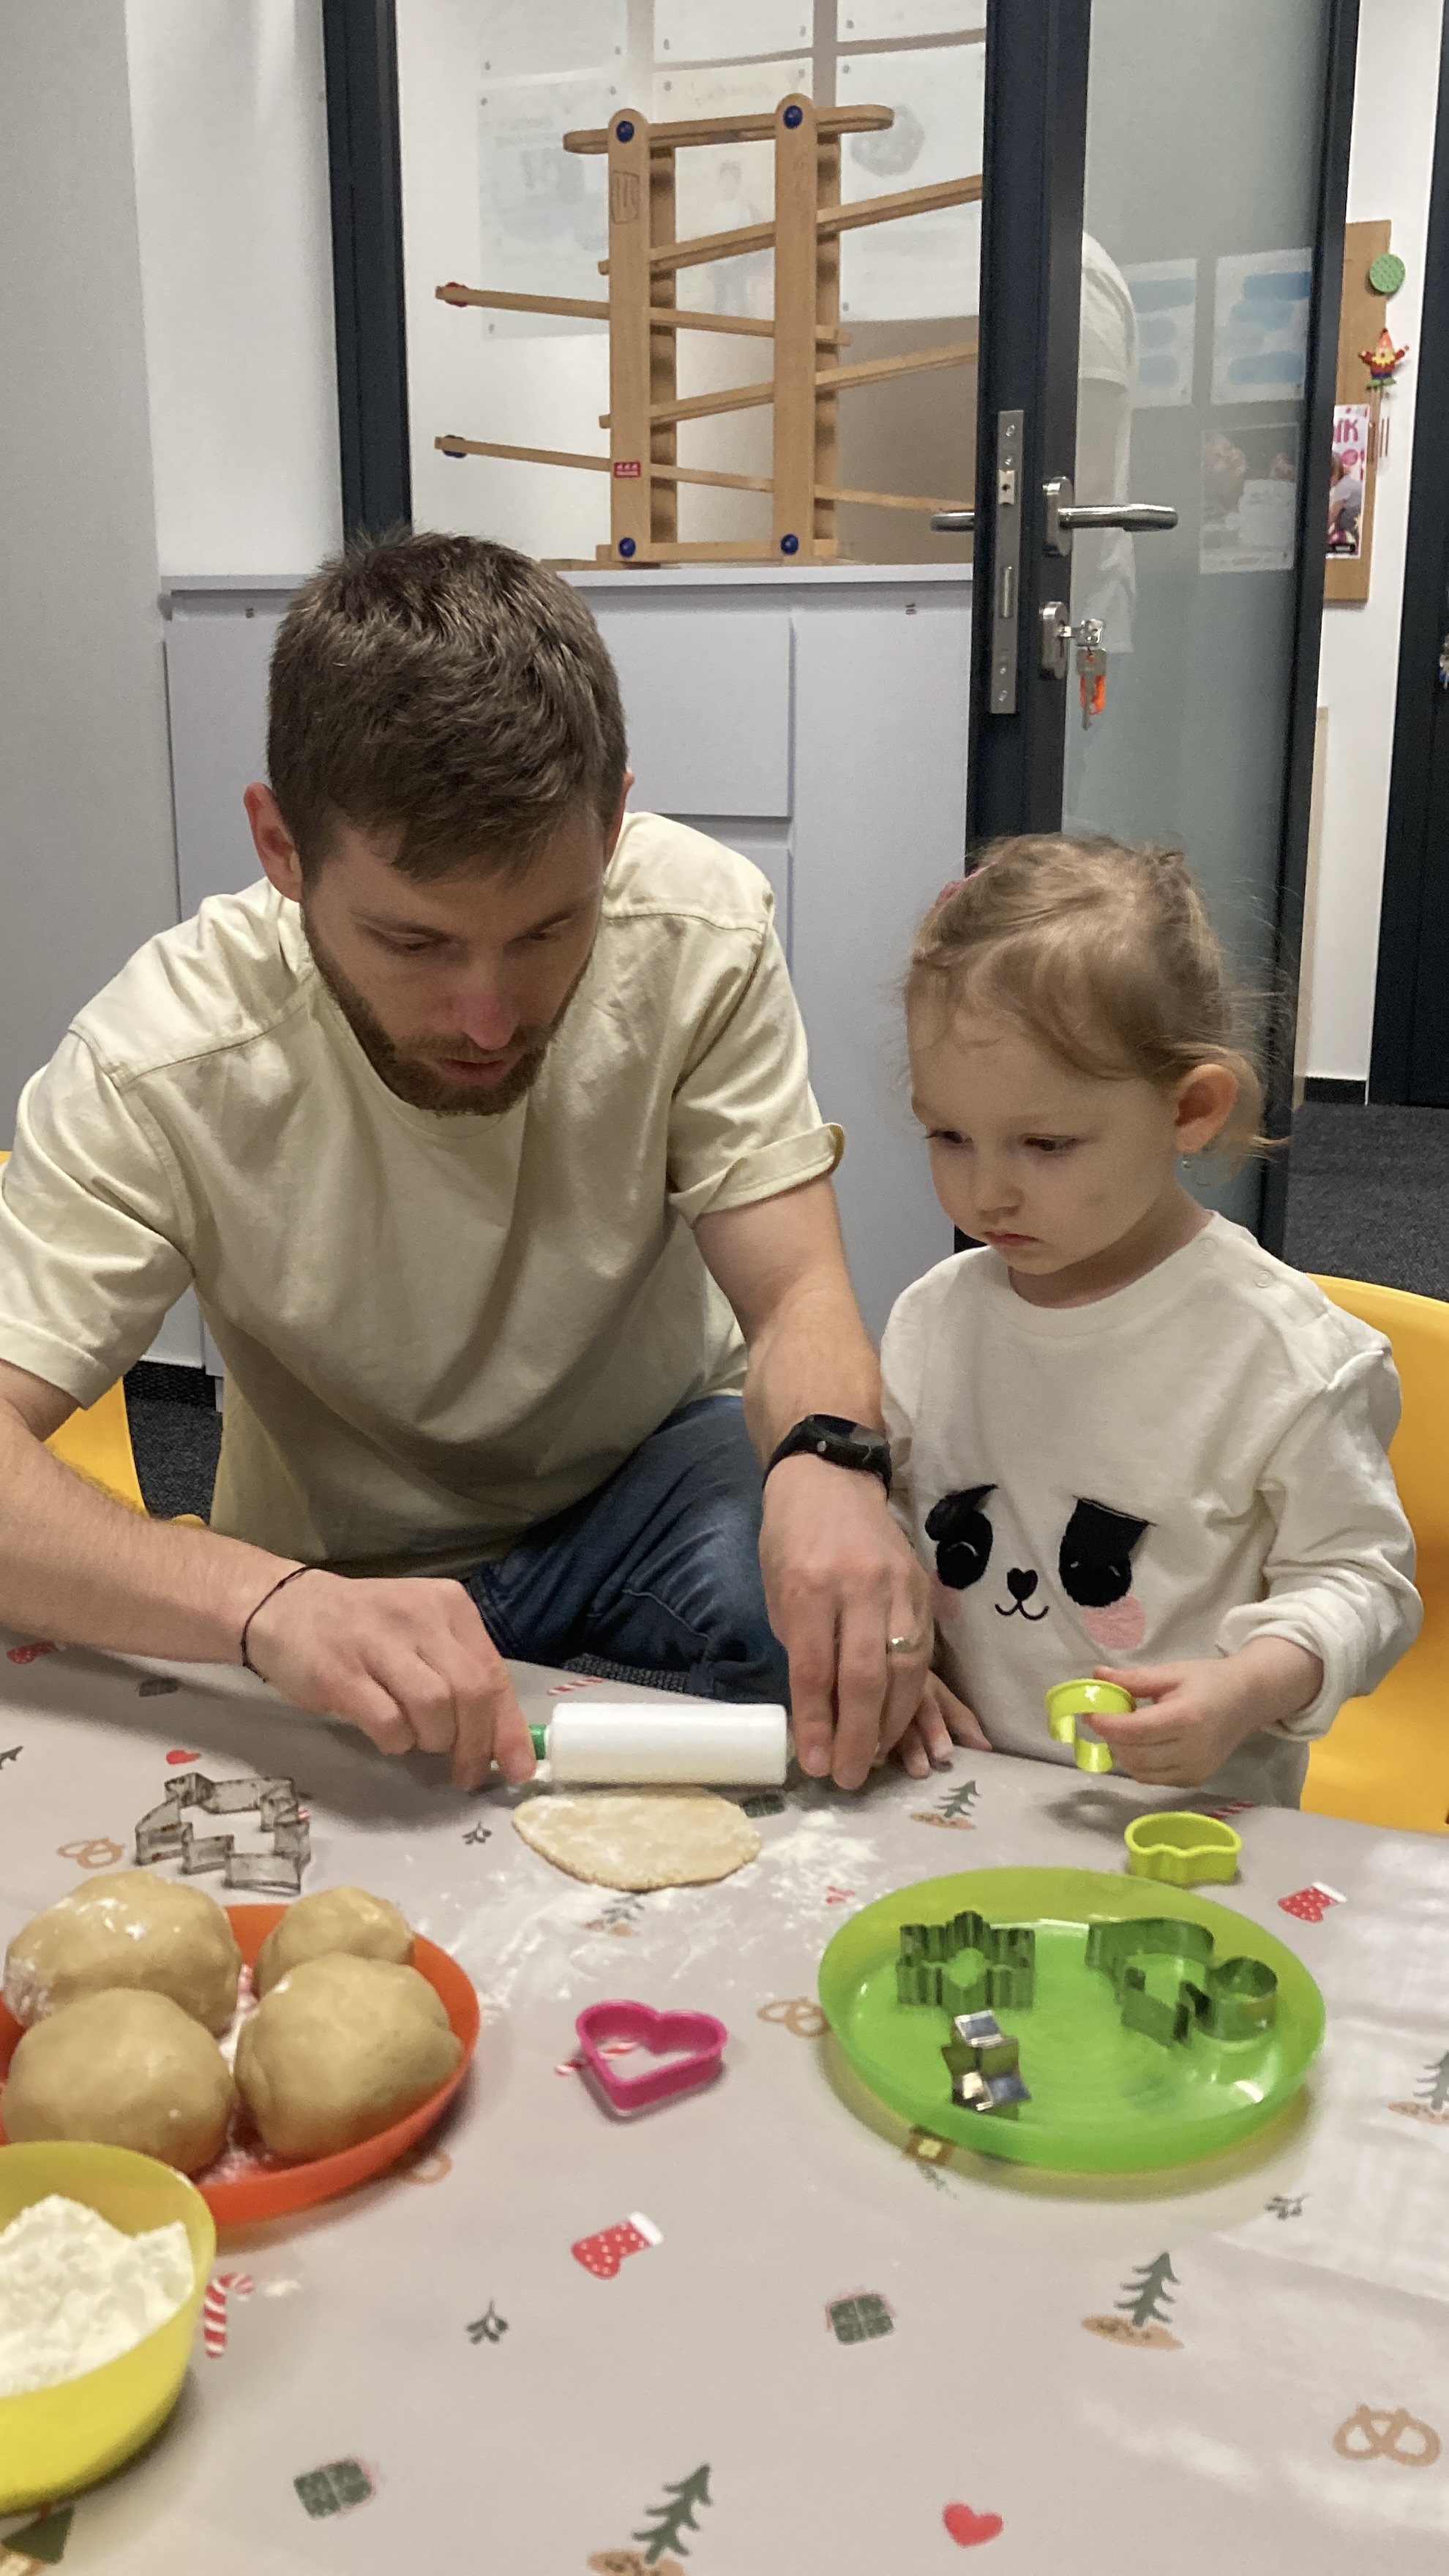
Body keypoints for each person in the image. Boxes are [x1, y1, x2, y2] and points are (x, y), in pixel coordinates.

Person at [0, 533, 940, 1796]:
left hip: (650, 1473)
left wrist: (830, 1462)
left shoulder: (698, 928)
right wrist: (264, 1602)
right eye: (415, 943)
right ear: (282, 848)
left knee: (857, 1661)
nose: (490, 1019)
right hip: (337, 1557)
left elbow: (795, 1293)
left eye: (550, 930)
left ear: (613, 824)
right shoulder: (160, 1060)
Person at [883, 834, 1420, 1805]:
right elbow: (882, 1514)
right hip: (961, 1793)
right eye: (948, 1134)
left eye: (1045, 1143)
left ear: (1190, 1110)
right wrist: (895, 1655)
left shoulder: (1284, 1355)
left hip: (1184, 1818)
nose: (986, 1191)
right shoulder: (935, 1318)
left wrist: (1249, 1686)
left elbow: (1361, 1584)